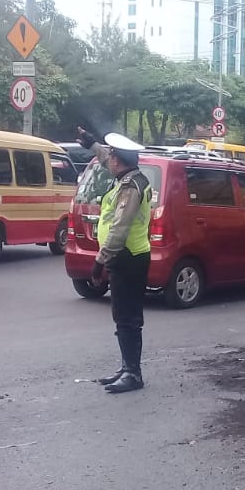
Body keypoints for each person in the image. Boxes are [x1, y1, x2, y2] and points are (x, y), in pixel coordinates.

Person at [77, 128, 152, 393]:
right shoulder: (128, 175)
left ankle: (133, 373)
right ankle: (126, 367)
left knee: (128, 317)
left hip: (128, 257)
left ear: (119, 160)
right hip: (126, 256)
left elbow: (120, 228)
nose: (108, 159)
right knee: (121, 315)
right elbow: (106, 158)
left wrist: (100, 260)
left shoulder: (130, 187)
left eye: (111, 156)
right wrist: (92, 145)